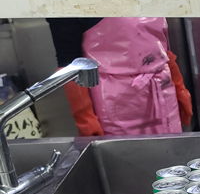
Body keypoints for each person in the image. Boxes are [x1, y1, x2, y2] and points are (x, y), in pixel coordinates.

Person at [48, 17, 192, 136]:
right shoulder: (69, 0)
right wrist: (85, 117)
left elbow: (162, 45)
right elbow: (70, 65)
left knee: (172, 154)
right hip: (115, 105)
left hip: (164, 94)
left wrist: (179, 86)